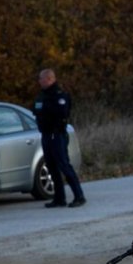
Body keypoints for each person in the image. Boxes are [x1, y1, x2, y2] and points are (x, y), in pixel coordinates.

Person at [33, 68, 86, 208]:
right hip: (45, 135)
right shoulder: (41, 96)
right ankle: (59, 198)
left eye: (41, 79)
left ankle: (79, 196)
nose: (39, 81)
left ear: (49, 79)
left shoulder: (59, 95)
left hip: (56, 134)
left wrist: (52, 124)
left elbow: (62, 114)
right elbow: (37, 113)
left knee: (64, 165)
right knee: (51, 165)